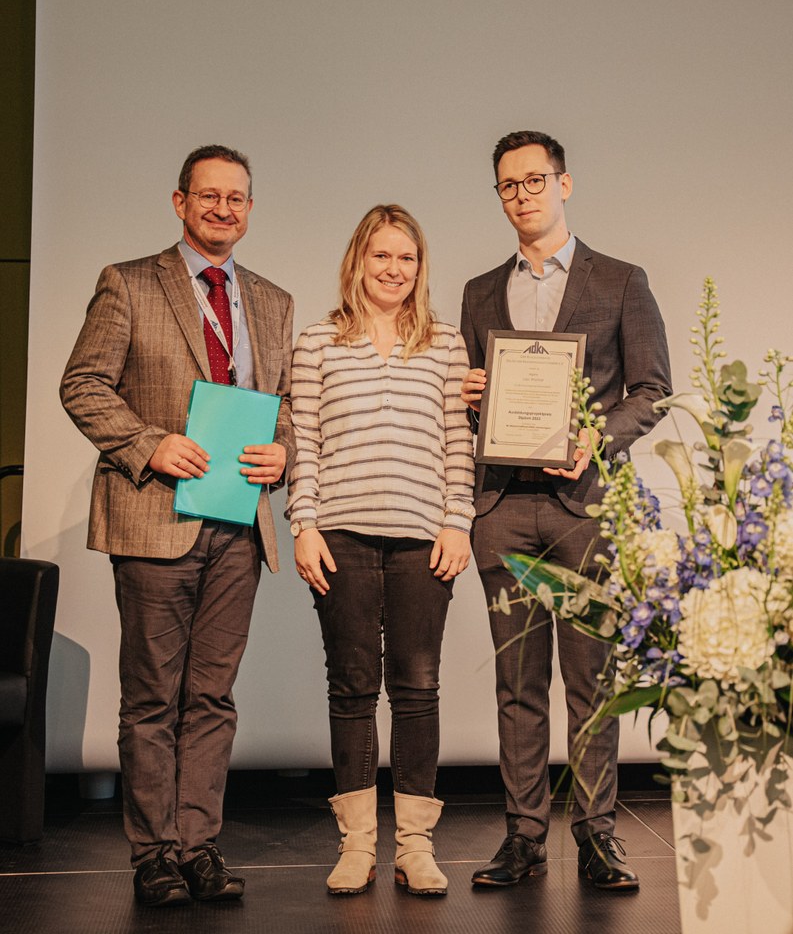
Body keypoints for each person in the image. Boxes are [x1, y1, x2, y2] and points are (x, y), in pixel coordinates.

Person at [60, 145, 294, 907]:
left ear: (250, 209)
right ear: (179, 202)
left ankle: (198, 846)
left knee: (213, 698)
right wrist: (148, 444)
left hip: (237, 525)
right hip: (156, 518)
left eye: (237, 199)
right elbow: (82, 384)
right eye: (210, 196)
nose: (224, 209)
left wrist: (282, 452)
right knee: (153, 697)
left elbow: (284, 403)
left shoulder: (272, 300)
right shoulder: (128, 283)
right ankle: (153, 854)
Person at [460, 130, 672, 891]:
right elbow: (472, 397)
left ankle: (595, 836)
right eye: (508, 186)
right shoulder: (481, 291)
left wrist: (596, 436)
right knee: (516, 684)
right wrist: (468, 393)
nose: (522, 195)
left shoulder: (619, 279)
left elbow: (651, 388)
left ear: (564, 183)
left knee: (592, 683)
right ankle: (522, 837)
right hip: (504, 511)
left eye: (534, 181)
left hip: (584, 510)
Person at [287, 204, 475, 897]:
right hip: (340, 533)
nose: (393, 269)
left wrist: (457, 521)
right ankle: (359, 845)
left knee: (417, 688)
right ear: (357, 262)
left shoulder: (447, 344)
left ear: (420, 268)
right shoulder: (316, 342)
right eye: (381, 256)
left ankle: (415, 847)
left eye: (406, 258)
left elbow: (459, 446)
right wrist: (302, 523)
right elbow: (302, 440)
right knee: (351, 688)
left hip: (424, 536)